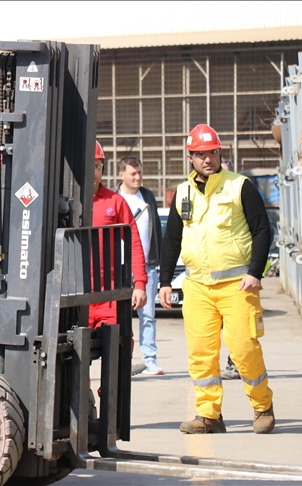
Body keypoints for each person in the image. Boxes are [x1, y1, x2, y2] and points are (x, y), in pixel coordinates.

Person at [159, 124, 274, 434]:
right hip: (197, 286)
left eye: (212, 153)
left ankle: (262, 406)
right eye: (200, 154)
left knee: (243, 349)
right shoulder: (182, 192)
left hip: (238, 284)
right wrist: (165, 281)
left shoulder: (240, 186)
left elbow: (263, 230)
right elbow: (172, 239)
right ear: (190, 157)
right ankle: (209, 416)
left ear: (220, 153)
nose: (207, 159)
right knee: (201, 353)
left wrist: (255, 272)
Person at [89, 141, 148, 332]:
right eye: (88, 166)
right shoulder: (63, 203)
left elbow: (134, 244)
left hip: (108, 294)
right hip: (72, 295)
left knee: (118, 345)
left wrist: (139, 283)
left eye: (97, 166)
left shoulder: (115, 202)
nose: (93, 171)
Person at [114, 156, 164, 376]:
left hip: (147, 267)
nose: (137, 177)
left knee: (148, 315)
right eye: (133, 173)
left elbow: (156, 233)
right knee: (119, 317)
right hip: (120, 268)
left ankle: (150, 360)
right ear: (121, 175)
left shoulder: (148, 197)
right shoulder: (115, 199)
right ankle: (120, 360)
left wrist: (159, 261)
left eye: (140, 173)